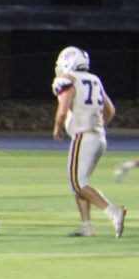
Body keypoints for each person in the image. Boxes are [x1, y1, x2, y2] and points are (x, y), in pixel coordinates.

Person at [51, 46, 125, 237]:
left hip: (83, 136)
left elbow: (62, 109)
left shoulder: (67, 80)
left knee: (77, 184)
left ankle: (112, 212)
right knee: (81, 181)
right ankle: (86, 226)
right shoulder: (94, 80)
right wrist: (96, 125)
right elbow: (110, 111)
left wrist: (58, 128)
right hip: (99, 138)